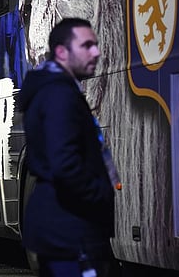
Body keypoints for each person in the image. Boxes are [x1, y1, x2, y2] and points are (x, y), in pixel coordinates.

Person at [19, 18, 116, 277]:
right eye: (86, 45)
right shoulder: (58, 95)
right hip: (70, 228)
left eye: (95, 45)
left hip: (66, 227)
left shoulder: (55, 89)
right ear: (62, 51)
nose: (96, 52)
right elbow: (65, 163)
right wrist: (99, 193)